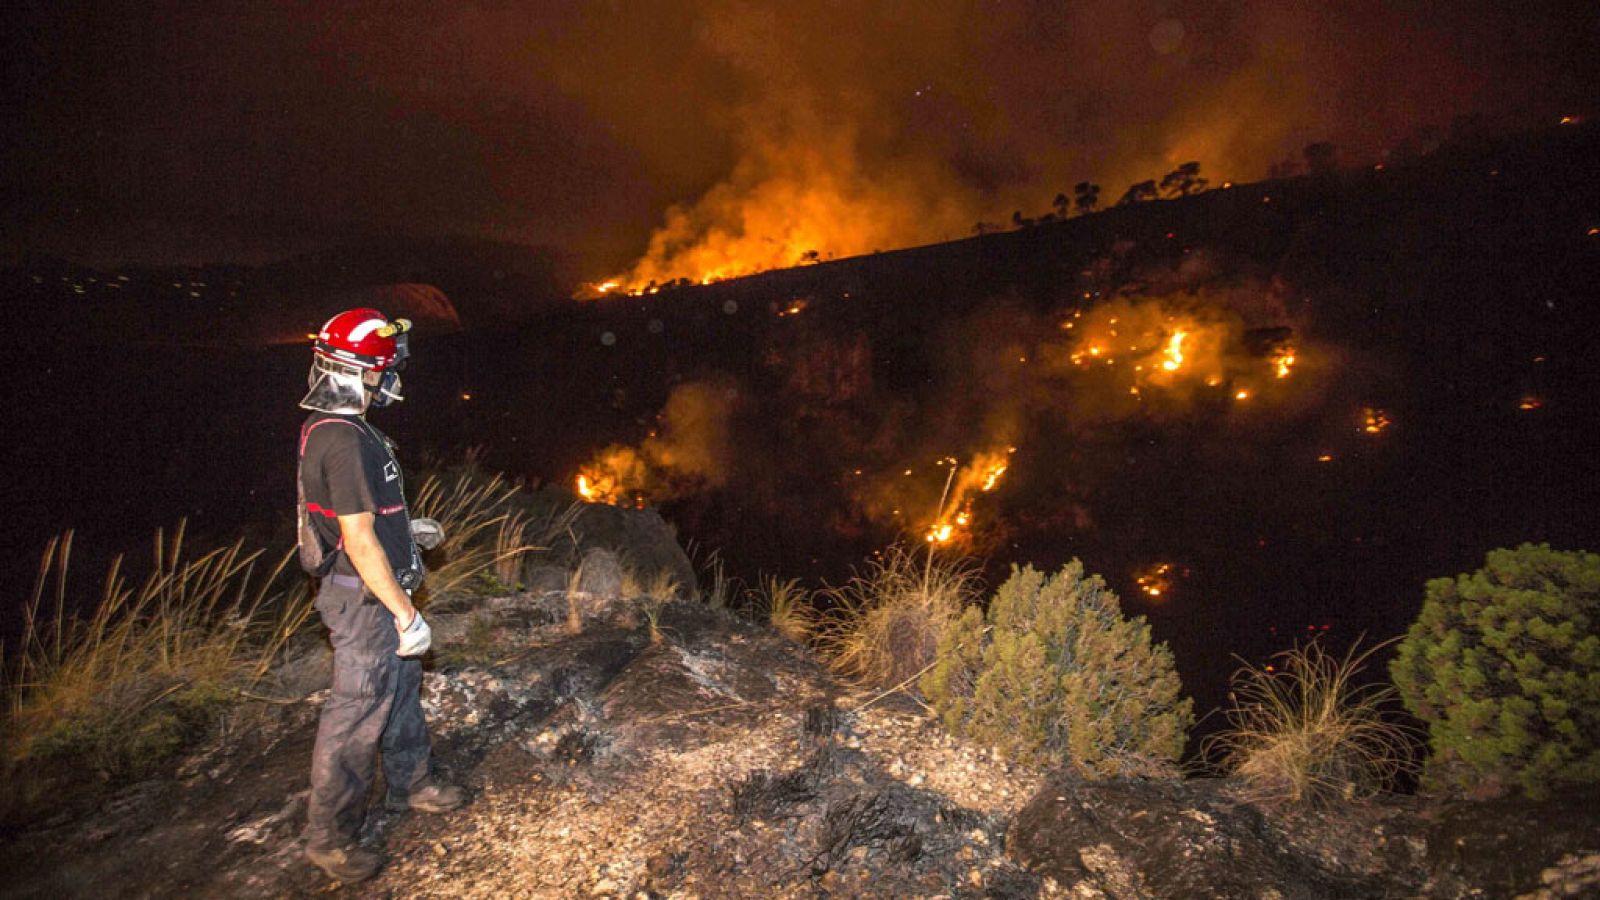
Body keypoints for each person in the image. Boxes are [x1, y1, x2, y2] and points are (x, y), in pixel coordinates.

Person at [296, 307, 463, 883]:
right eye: (385, 367)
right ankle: (331, 838)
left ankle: (413, 783)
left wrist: (407, 533)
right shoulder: (343, 439)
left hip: (371, 589)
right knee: (356, 712)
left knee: (400, 693)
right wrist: (406, 614)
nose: (391, 377)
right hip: (366, 602)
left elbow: (352, 516)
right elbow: (358, 539)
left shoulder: (340, 427)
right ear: (364, 370)